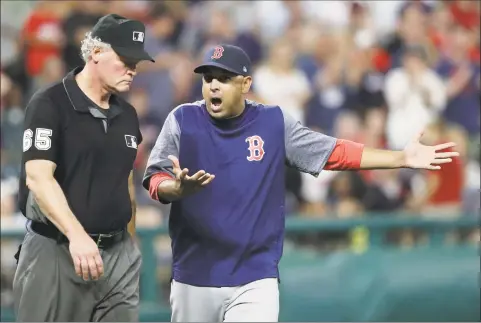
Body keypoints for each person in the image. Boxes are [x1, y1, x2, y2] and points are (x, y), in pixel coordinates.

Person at [142, 44, 459, 322]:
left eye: (223, 78)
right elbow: (154, 177)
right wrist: (174, 189)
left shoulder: (272, 122)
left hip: (255, 275)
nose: (213, 86)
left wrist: (400, 158)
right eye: (208, 78)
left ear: (246, 84)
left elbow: (332, 151)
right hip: (195, 273)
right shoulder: (182, 119)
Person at [14, 14, 154, 322]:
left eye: (137, 62)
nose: (132, 69)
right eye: (125, 59)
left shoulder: (127, 114)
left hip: (117, 255)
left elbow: (125, 182)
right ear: (96, 53)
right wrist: (77, 236)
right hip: (58, 249)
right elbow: (38, 178)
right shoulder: (51, 103)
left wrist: (127, 244)